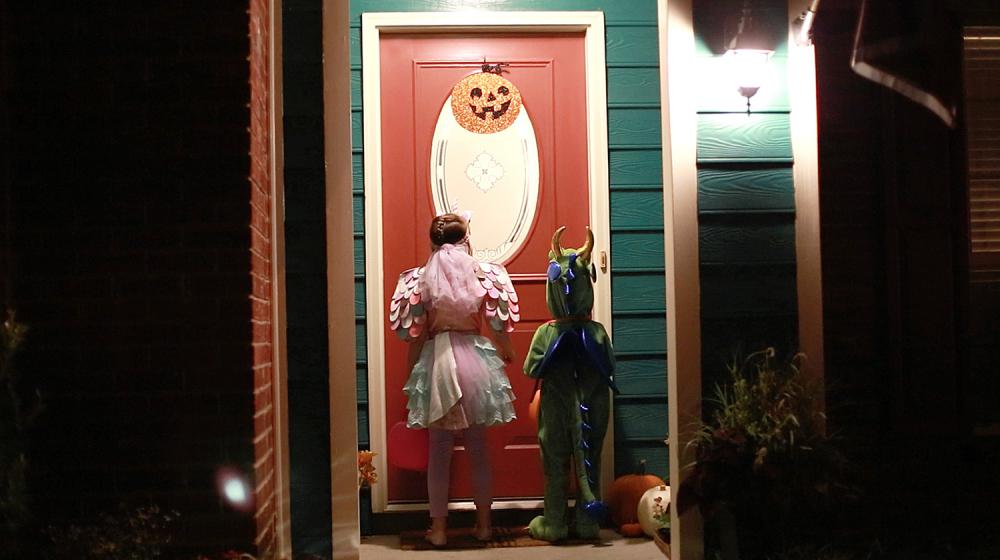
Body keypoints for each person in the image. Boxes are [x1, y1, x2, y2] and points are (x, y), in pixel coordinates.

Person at [388, 212, 519, 546]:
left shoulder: (420, 279)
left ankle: (440, 529)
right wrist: (507, 351)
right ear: (465, 239)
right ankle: (485, 524)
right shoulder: (483, 273)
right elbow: (497, 323)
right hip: (474, 358)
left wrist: (412, 370)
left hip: (440, 361)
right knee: (478, 448)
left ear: (433, 241)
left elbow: (416, 335)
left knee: (439, 450)